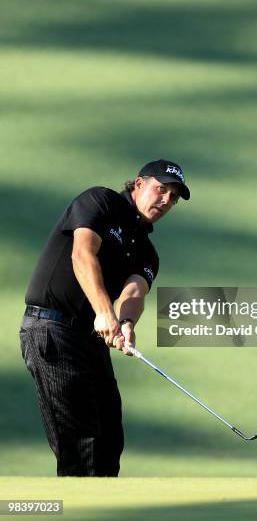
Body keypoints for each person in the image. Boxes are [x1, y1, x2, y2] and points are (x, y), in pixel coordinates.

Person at [20, 159, 190, 477]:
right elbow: (82, 253)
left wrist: (125, 324)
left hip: (90, 337)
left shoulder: (147, 251)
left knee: (110, 438)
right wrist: (103, 311)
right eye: (161, 189)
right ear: (139, 184)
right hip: (51, 328)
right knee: (81, 441)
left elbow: (134, 293)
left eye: (174, 197)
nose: (166, 200)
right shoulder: (100, 201)